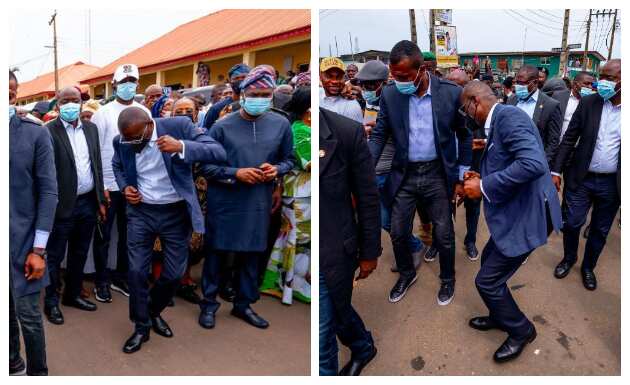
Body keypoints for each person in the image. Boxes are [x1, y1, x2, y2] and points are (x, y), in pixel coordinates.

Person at [460, 80, 562, 363]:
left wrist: (482, 186)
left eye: (465, 110)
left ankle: (521, 330)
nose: (467, 116)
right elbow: (509, 154)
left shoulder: (509, 116)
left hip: (529, 214)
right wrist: (483, 155)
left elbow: (532, 163)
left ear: (474, 102)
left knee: (487, 281)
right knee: (488, 261)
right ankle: (499, 315)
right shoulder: (500, 119)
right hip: (518, 212)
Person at [112, 107, 226, 353]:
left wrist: (182, 146)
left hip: (175, 213)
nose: (130, 143)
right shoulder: (122, 140)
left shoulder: (179, 127)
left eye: (135, 138)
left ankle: (153, 311)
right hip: (141, 212)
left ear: (149, 126)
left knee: (174, 274)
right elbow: (118, 166)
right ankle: (141, 326)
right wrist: (124, 188)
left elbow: (218, 152)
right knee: (136, 272)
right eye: (126, 139)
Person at [368, 40, 471, 305]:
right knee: (398, 231)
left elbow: (465, 133)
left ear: (422, 69)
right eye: (394, 76)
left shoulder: (449, 93)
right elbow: (380, 134)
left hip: (438, 174)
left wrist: (462, 174)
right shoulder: (391, 95)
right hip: (404, 174)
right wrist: (366, 169)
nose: (399, 81)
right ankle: (406, 273)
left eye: (404, 76)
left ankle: (448, 279)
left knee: (444, 233)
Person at [198, 65, 294, 330]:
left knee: (252, 256)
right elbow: (205, 167)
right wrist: (235, 173)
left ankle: (243, 305)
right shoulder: (221, 127)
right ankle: (208, 305)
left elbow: (289, 160)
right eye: (255, 93)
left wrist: (276, 171)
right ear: (242, 94)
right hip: (225, 202)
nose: (260, 99)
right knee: (217, 255)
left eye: (266, 94)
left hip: (258, 203)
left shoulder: (280, 124)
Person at [319, 107, 381, 376]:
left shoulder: (346, 131)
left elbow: (367, 197)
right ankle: (362, 345)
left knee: (322, 342)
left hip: (332, 249)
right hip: (300, 244)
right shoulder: (294, 131)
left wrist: (369, 253)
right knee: (337, 310)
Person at [551, 59, 621, 291]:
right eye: (603, 76)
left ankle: (588, 267)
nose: (603, 82)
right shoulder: (590, 103)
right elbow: (570, 137)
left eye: (610, 78)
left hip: (613, 183)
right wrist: (556, 171)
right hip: (581, 177)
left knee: (600, 230)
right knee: (571, 223)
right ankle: (569, 258)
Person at [43, 86, 107, 324]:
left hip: (87, 203)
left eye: (75, 100)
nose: (71, 105)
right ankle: (51, 301)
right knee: (54, 255)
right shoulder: (48, 131)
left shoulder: (91, 129)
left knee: (79, 253)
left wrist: (100, 199)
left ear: (82, 103)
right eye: (65, 100)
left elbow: (97, 165)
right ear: (57, 105)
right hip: (61, 205)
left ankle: (72, 295)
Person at [9, 69, 58, 376]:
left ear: (13, 95)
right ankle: (12, 363)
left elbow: (49, 191)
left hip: (23, 244)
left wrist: (38, 250)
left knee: (27, 316)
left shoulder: (34, 133)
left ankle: (38, 373)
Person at [90, 64, 152, 303]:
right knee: (103, 236)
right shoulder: (103, 113)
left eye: (132, 81)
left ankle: (121, 277)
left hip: (132, 186)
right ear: (114, 84)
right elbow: (96, 153)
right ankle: (102, 281)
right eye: (123, 81)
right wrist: (102, 186)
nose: (128, 85)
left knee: (130, 235)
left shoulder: (143, 111)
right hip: (108, 185)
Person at [358, 60, 426, 272]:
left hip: (390, 173)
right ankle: (411, 248)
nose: (366, 90)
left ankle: (414, 248)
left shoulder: (398, 104)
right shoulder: (367, 104)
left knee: (391, 222)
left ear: (384, 83)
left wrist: (380, 127)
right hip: (372, 171)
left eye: (371, 86)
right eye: (363, 86)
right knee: (384, 221)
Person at [261, 86, 312, 304]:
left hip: (304, 194)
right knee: (298, 240)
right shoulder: (299, 130)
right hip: (300, 195)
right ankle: (292, 284)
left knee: (296, 240)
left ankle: (285, 281)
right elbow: (311, 164)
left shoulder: (304, 127)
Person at [507, 65, 562, 165]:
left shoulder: (550, 105)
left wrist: (543, 163)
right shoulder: (512, 99)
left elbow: (553, 141)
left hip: (534, 162)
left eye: (523, 83)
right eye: (517, 83)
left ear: (535, 82)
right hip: (510, 160)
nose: (518, 86)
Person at [202, 63, 250, 129]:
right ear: (230, 82)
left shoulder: (255, 105)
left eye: (244, 77)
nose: (240, 80)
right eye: (236, 78)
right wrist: (219, 122)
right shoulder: (216, 109)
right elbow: (206, 133)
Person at [550, 71, 595, 140]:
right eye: (586, 84)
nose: (590, 87)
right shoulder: (559, 96)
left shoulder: (593, 102)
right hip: (557, 144)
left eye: (592, 84)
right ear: (575, 84)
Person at [319, 57, 363, 123]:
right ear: (320, 77)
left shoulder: (352, 106)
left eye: (339, 77)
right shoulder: (314, 95)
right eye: (329, 76)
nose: (334, 81)